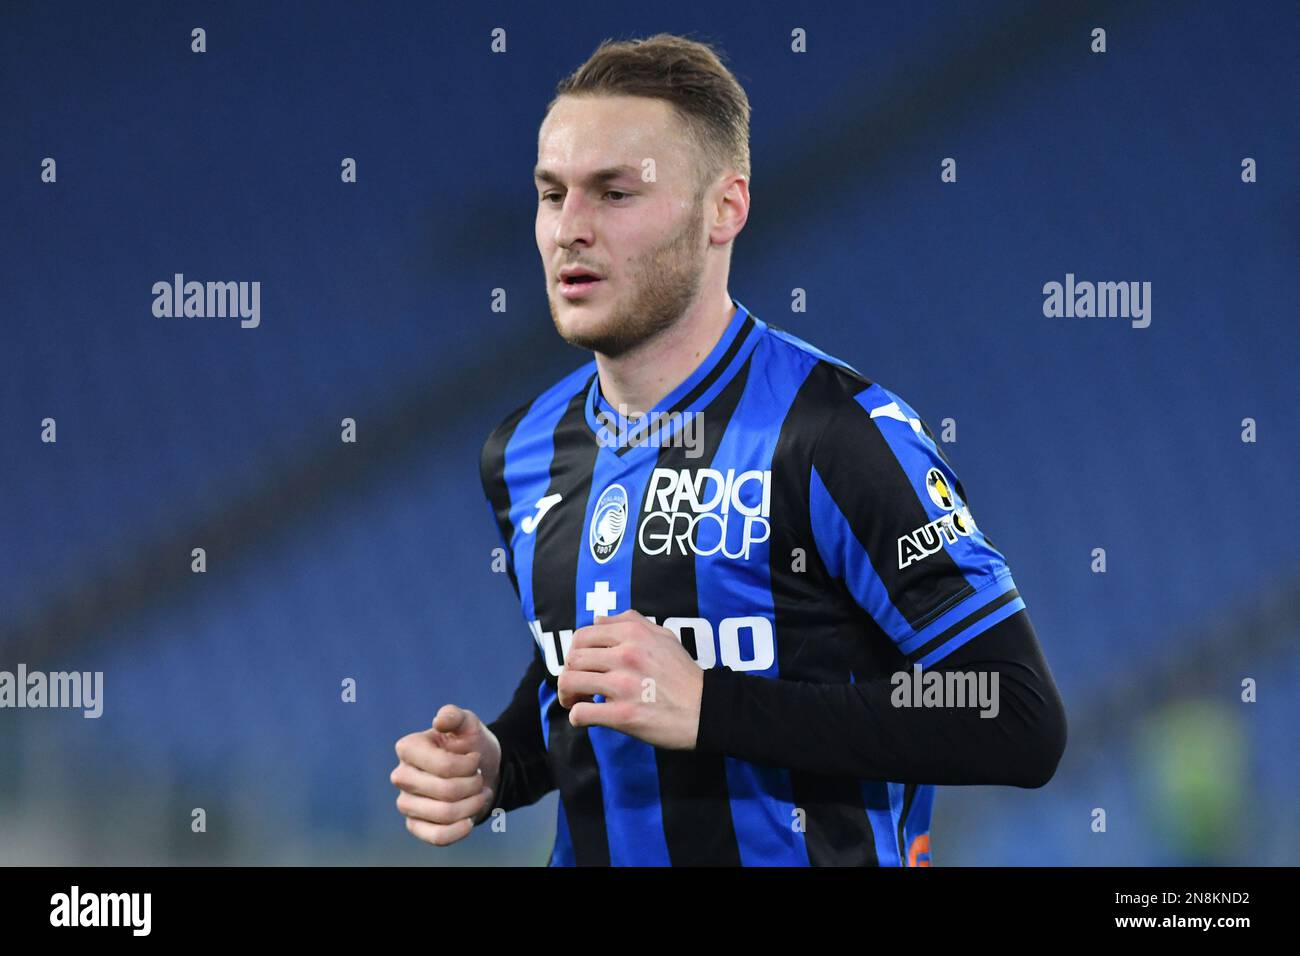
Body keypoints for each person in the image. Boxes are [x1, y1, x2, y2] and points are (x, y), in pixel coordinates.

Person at [391, 33, 1066, 866]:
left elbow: (1017, 715)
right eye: (552, 193)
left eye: (614, 193)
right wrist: (502, 762)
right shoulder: (522, 449)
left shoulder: (834, 435)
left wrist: (714, 707)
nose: (570, 229)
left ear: (725, 207)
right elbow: (582, 683)